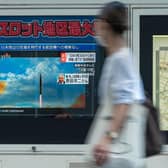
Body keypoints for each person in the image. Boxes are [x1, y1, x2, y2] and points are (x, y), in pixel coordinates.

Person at [91, 1, 147, 168]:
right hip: (118, 149)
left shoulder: (121, 58)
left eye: (98, 21)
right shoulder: (117, 57)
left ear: (106, 25)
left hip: (119, 150)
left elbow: (123, 102)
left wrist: (107, 138)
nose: (95, 26)